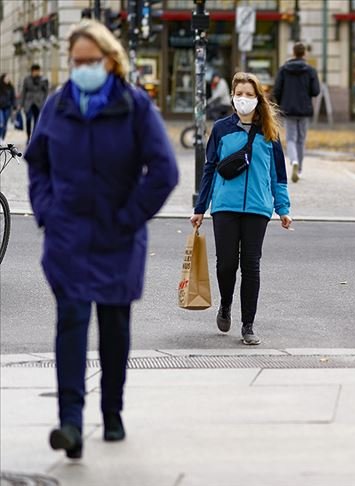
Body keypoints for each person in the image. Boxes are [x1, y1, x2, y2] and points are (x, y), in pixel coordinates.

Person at [24, 20, 179, 459]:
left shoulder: (134, 107)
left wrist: (130, 216)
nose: (83, 69)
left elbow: (164, 171)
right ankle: (70, 423)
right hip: (68, 235)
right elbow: (37, 162)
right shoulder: (58, 105)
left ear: (111, 61)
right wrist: (47, 211)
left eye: (91, 61)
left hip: (117, 236)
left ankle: (112, 410)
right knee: (70, 322)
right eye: (76, 62)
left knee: (114, 326)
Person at [191, 72, 292, 346]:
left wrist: (283, 208)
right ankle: (225, 304)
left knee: (251, 265)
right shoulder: (222, 128)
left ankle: (248, 325)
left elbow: (278, 176)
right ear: (232, 97)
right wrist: (200, 207)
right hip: (225, 206)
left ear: (258, 98)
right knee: (226, 264)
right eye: (239, 94)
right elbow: (210, 168)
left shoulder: (270, 132)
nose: (244, 99)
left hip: (258, 208)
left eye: (249, 94)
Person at [272, 42, 320, 183]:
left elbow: (277, 90)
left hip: (288, 109)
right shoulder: (311, 70)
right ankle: (299, 169)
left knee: (291, 138)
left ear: (293, 53)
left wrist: (282, 103)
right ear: (304, 53)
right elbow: (316, 91)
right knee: (301, 139)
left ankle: (293, 161)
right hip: (304, 109)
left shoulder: (283, 70)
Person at [19, 64, 50, 144]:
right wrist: (21, 104)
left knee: (37, 121)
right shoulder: (27, 79)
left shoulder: (43, 79)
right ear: (32, 71)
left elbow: (46, 91)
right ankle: (28, 136)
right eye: (36, 71)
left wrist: (44, 101)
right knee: (28, 119)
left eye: (38, 71)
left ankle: (34, 137)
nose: (37, 73)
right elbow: (24, 91)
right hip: (28, 102)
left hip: (39, 103)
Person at [0, 74, 15, 144]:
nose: (8, 79)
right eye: (6, 78)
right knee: (1, 122)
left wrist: (14, 106)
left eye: (8, 78)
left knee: (5, 124)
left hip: (7, 107)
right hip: (0, 107)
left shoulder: (11, 87)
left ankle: (2, 138)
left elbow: (13, 98)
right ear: (3, 78)